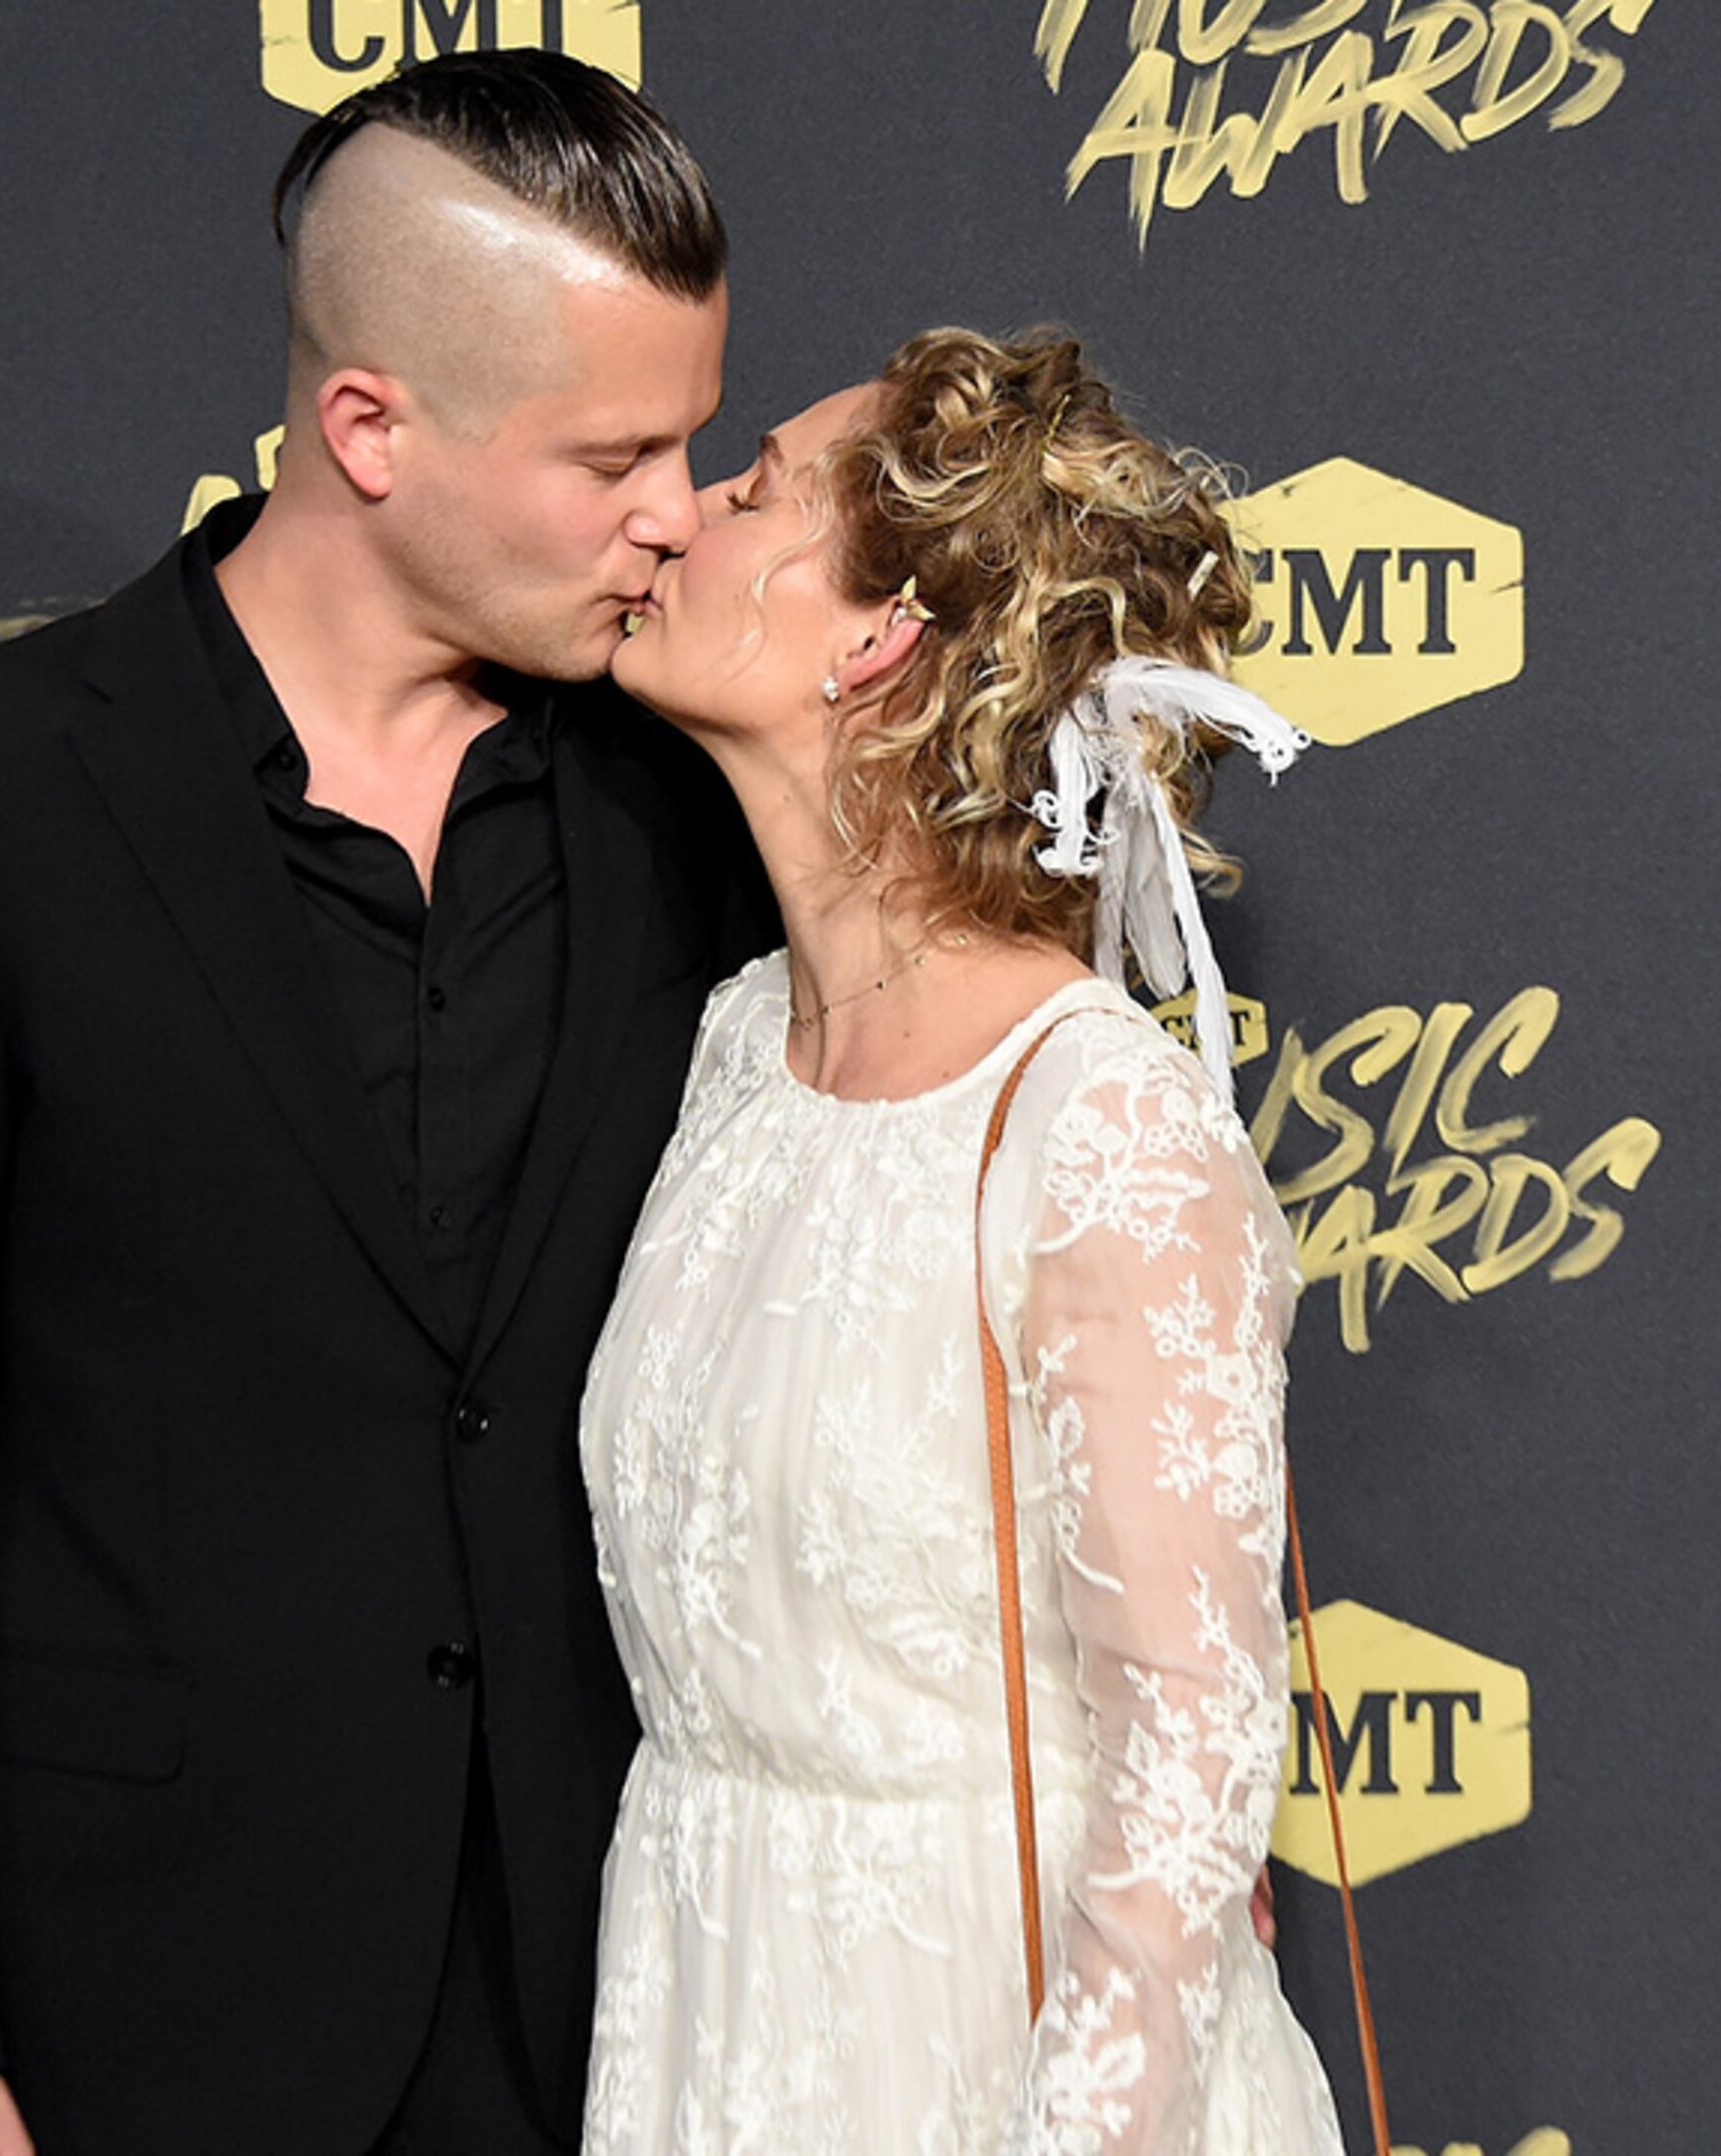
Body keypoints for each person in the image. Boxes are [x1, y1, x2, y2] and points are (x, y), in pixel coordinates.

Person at [0, 53, 766, 2156]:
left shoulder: (690, 794)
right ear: (369, 430)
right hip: (143, 1995)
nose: (676, 511)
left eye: (689, 440)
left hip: (627, 1984)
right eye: (613, 455)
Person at [572, 327, 1350, 2151]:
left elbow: (1189, 1773)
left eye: (752, 489)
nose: (678, 513)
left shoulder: (1099, 1126)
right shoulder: (732, 1051)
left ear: (876, 640)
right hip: (709, 2028)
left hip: (986, 2067)